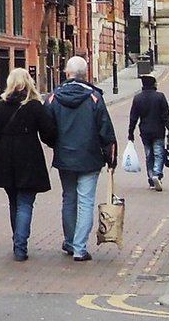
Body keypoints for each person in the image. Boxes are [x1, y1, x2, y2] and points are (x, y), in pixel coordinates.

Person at [46, 55, 117, 261]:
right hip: (90, 157)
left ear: (67, 73)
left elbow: (46, 129)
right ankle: (79, 248)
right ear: (85, 74)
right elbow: (106, 130)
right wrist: (110, 157)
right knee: (85, 202)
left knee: (69, 199)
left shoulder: (53, 97)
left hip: (65, 157)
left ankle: (69, 242)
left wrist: (56, 144)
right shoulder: (94, 97)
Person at [0, 67, 59, 262]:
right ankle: (20, 246)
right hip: (28, 156)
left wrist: (2, 149)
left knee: (14, 201)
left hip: (5, 158)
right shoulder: (35, 106)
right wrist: (55, 143)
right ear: (28, 82)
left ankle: (17, 242)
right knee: (25, 203)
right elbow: (48, 133)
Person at [127, 71, 169, 190]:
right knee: (159, 153)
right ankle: (157, 174)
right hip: (158, 130)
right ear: (153, 84)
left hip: (145, 131)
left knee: (149, 155)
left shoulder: (137, 98)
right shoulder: (160, 97)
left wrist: (130, 132)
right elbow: (166, 115)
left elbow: (133, 117)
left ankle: (151, 177)